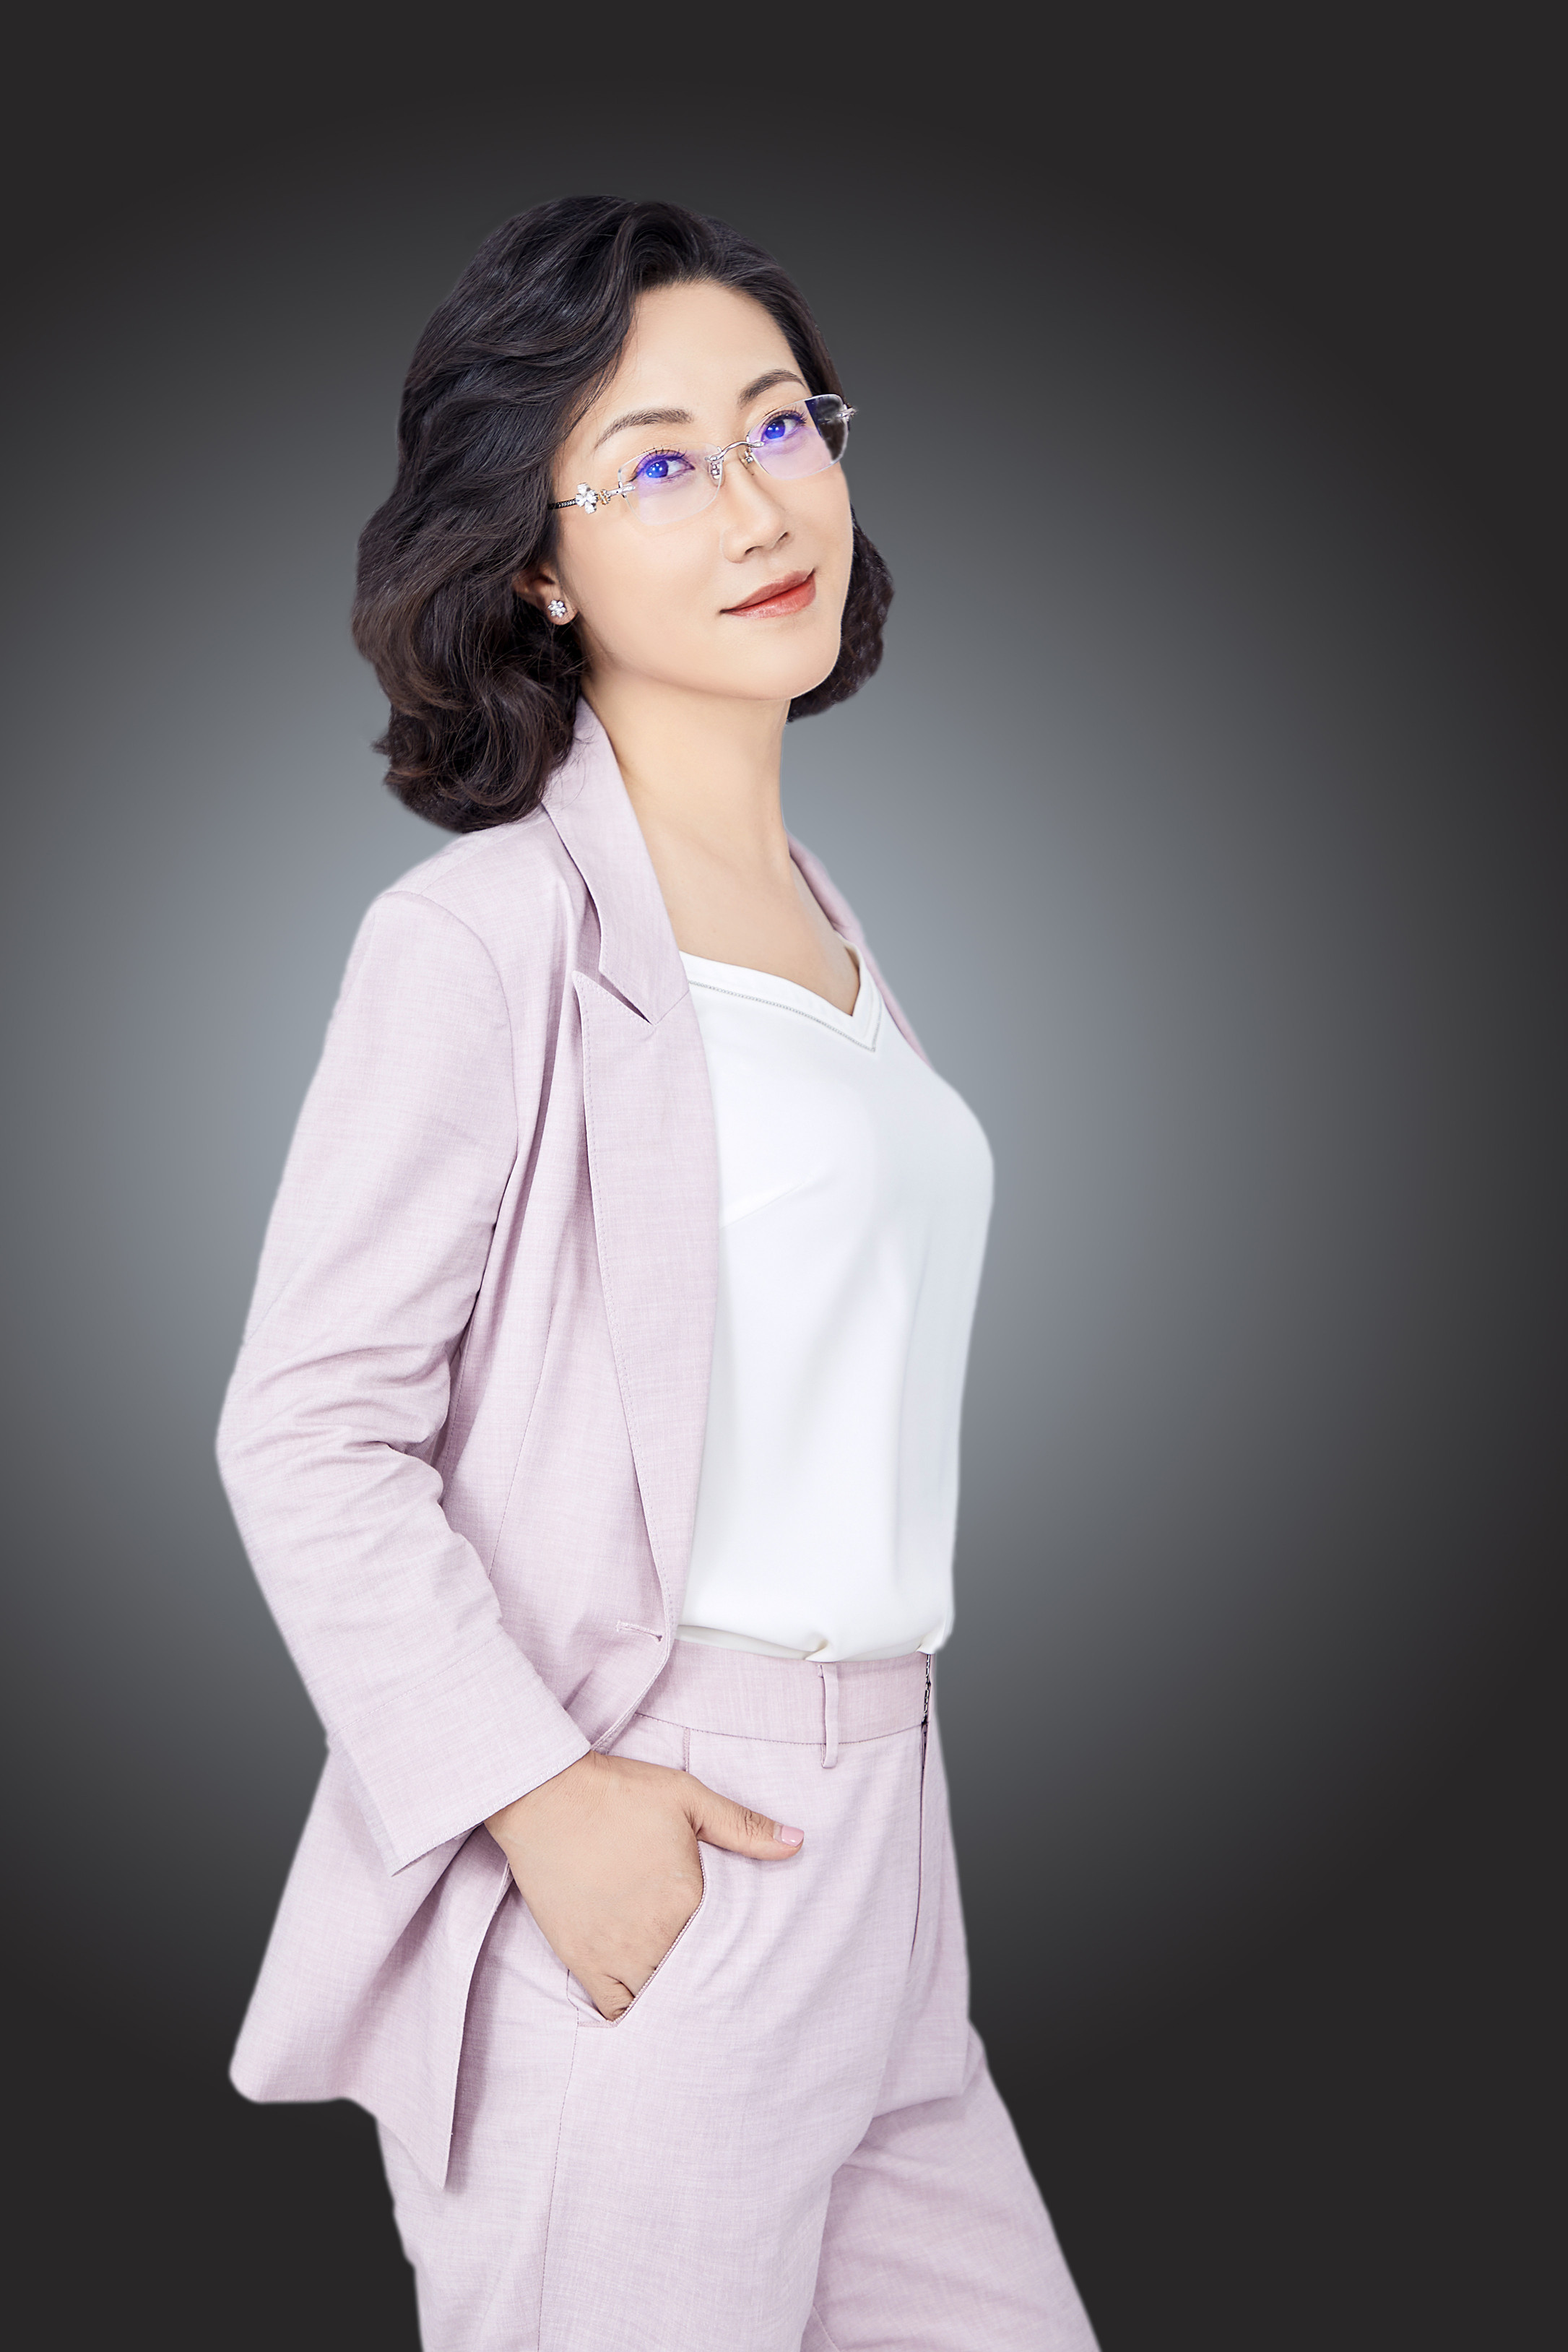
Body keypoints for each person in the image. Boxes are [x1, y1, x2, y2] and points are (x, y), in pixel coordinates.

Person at [217, 194, 1098, 2352]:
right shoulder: (487, 940)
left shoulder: (819, 916)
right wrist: (542, 1800)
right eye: (661, 461)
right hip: (652, 1833)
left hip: (890, 1855)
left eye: (782, 422)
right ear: (539, 562)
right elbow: (307, 1430)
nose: (759, 501)